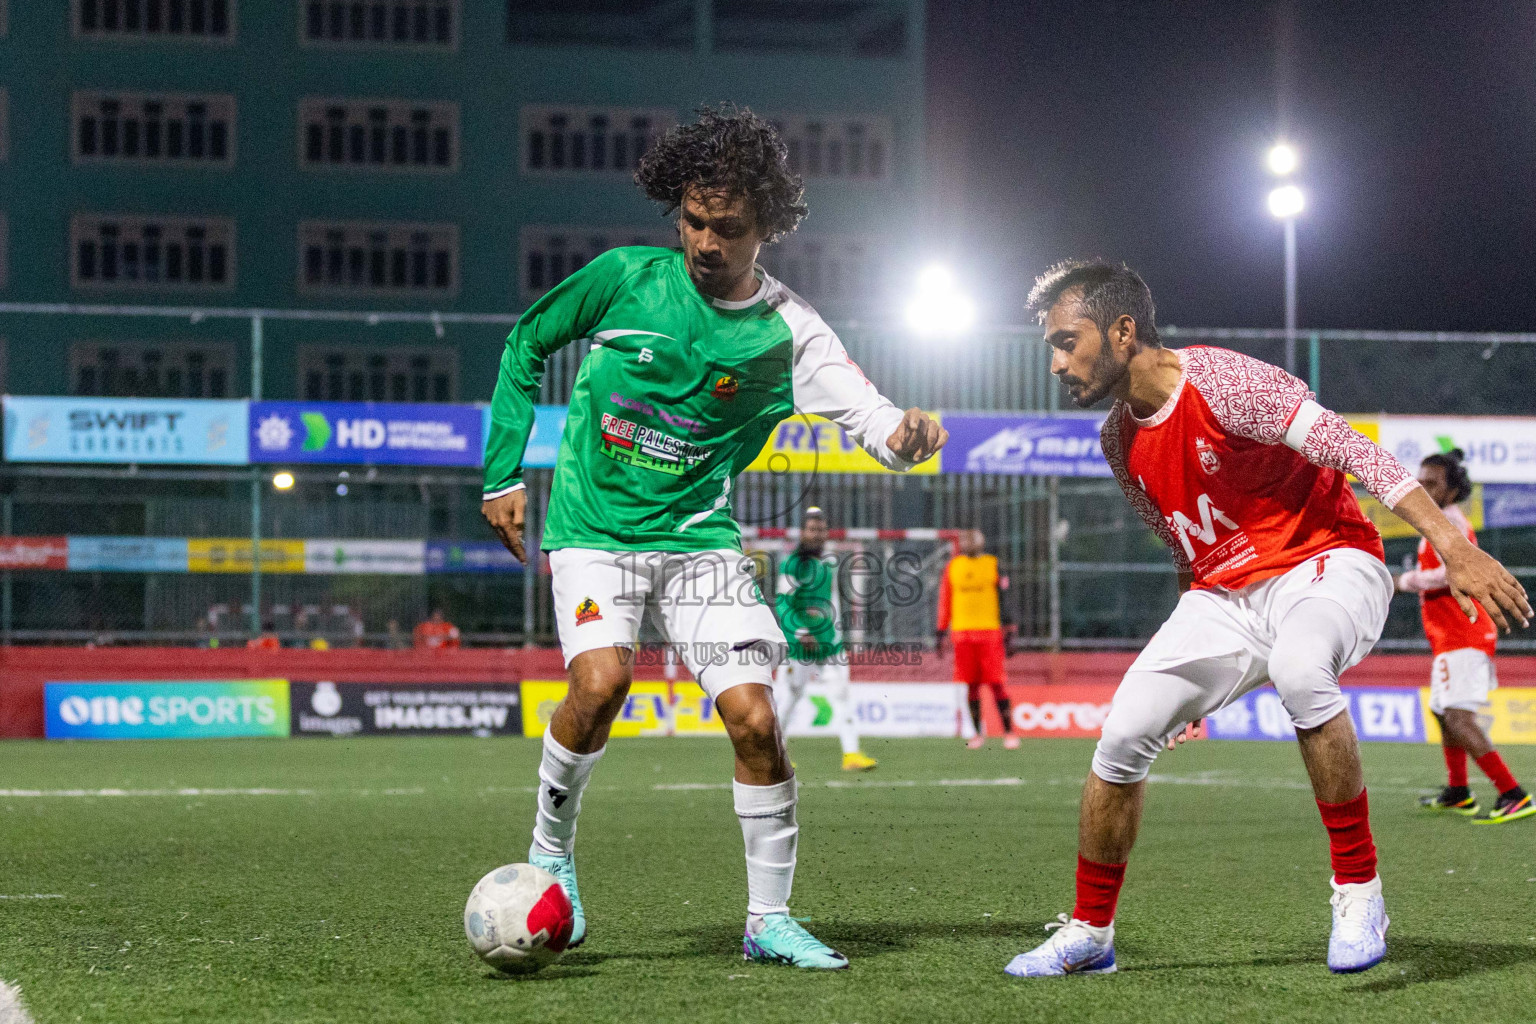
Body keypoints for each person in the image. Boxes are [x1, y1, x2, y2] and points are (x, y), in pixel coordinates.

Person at [480, 106, 945, 969]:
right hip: (594, 533)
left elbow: (871, 416)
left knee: (757, 720)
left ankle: (768, 920)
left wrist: (905, 438)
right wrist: (503, 473)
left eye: (727, 228)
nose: (704, 241)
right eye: (692, 220)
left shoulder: (789, 332)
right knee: (603, 680)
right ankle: (551, 853)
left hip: (699, 544)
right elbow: (525, 343)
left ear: (765, 228)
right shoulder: (623, 280)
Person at [1006, 260, 1530, 978]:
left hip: (1329, 561)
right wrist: (1190, 677)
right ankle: (1091, 934)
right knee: (1125, 732)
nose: (1058, 362)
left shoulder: (1223, 381)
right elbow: (1182, 543)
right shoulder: (1117, 441)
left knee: (1299, 666)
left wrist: (1450, 544)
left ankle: (1359, 894)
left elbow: (1353, 450)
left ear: (1123, 331)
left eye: (1068, 341)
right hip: (1223, 596)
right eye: (1052, 349)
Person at [1396, 450, 1531, 823]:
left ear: (1453, 490)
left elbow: (1448, 573)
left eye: (1432, 482)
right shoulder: (1437, 522)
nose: (1422, 487)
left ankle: (1513, 794)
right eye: (1420, 480)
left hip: (1464, 632)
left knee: (1457, 716)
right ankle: (1458, 791)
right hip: (1449, 635)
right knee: (1442, 711)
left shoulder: (1451, 522)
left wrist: (1401, 582)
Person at [772, 507, 877, 772]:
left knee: (841, 694)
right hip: (800, 645)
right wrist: (800, 632)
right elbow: (784, 604)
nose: (817, 534)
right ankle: (774, 756)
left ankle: (851, 755)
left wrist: (836, 634)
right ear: (803, 533)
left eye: (821, 530)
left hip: (829, 643)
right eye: (812, 529)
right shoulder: (792, 563)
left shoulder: (827, 561)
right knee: (789, 699)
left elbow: (829, 602)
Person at [938, 529, 1020, 749]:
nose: (970, 542)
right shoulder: (953, 567)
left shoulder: (993, 564)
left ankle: (1009, 732)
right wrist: (940, 630)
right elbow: (945, 600)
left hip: (989, 633)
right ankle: (977, 734)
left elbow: (1005, 598)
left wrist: (1010, 630)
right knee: (971, 686)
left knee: (996, 683)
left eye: (974, 538)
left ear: (982, 542)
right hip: (962, 635)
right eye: (966, 539)